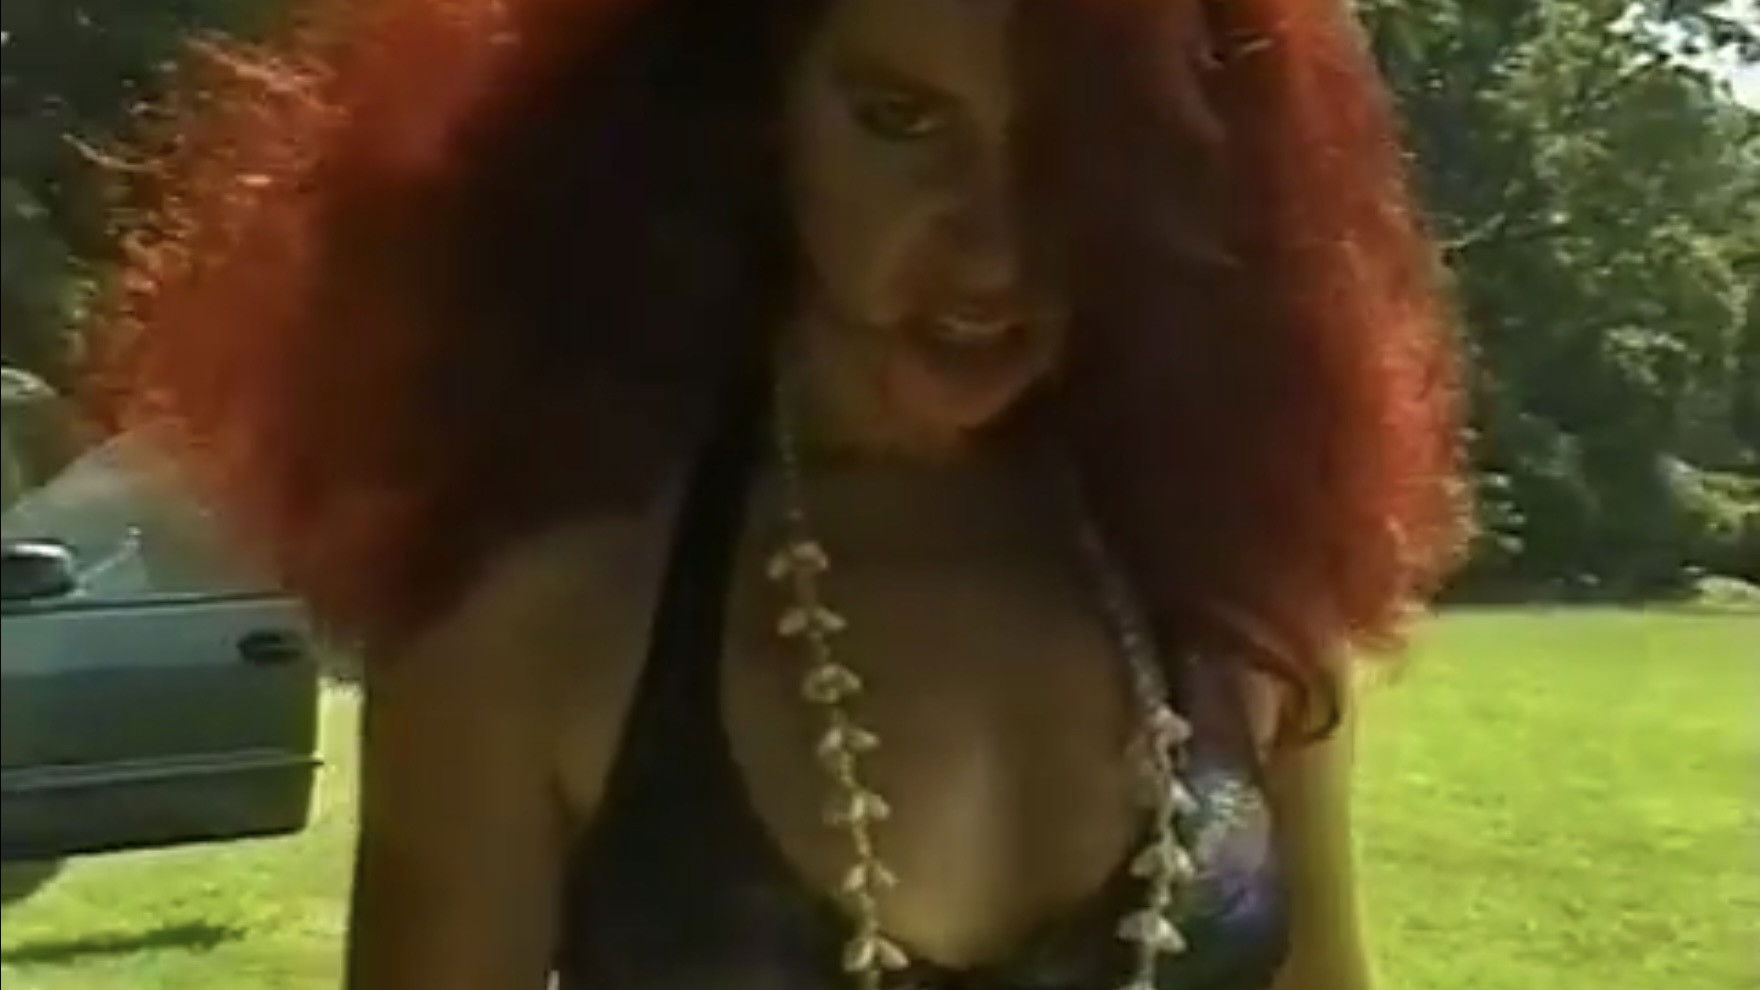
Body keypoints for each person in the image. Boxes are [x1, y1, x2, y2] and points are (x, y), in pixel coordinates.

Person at [88, 0, 1466, 987]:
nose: (992, 244)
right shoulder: (536, 619)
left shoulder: (1237, 578)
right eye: (900, 121)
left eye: (1068, 141)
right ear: (752, 114)